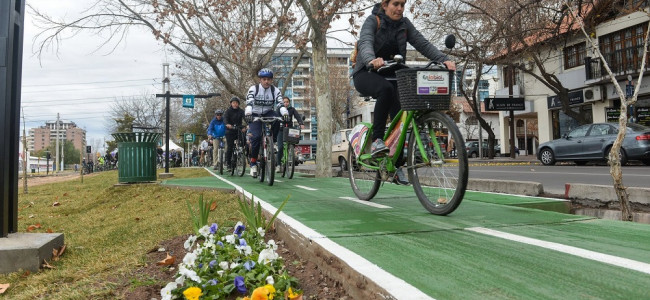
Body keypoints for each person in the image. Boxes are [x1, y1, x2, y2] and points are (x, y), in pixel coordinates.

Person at [352, 0, 456, 185]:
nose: (399, 8)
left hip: (394, 75)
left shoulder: (404, 25)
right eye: (395, 4)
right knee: (385, 89)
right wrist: (371, 59)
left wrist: (444, 59)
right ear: (385, 5)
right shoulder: (372, 21)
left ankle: (396, 166)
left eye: (402, 4)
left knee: (401, 118)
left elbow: (423, 44)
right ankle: (377, 140)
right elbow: (366, 41)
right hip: (366, 72)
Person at [244, 68, 288, 177]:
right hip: (254, 114)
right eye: (264, 79)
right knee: (256, 137)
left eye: (269, 79)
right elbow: (249, 102)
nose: (266, 81)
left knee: (278, 119)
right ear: (260, 80)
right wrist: (248, 113)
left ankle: (271, 142)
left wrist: (285, 113)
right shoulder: (254, 89)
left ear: (272, 80)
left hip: (268, 112)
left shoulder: (275, 91)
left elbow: (280, 104)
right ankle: (253, 163)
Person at [276, 96, 305, 172]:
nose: (286, 103)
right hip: (281, 130)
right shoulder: (279, 109)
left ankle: (291, 152)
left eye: (287, 102)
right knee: (281, 147)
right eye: (284, 102)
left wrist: (301, 123)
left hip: (289, 129)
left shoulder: (292, 109)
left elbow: (297, 116)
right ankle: (278, 165)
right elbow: (275, 118)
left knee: (292, 143)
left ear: (289, 103)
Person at [224, 96, 246, 171]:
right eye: (233, 103)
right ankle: (229, 163)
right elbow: (225, 119)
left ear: (238, 104)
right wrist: (227, 124)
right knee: (230, 147)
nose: (235, 104)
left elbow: (245, 118)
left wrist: (246, 126)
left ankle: (241, 152)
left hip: (238, 129)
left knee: (243, 141)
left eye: (236, 103)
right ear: (231, 104)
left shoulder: (241, 111)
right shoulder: (228, 111)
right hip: (230, 130)